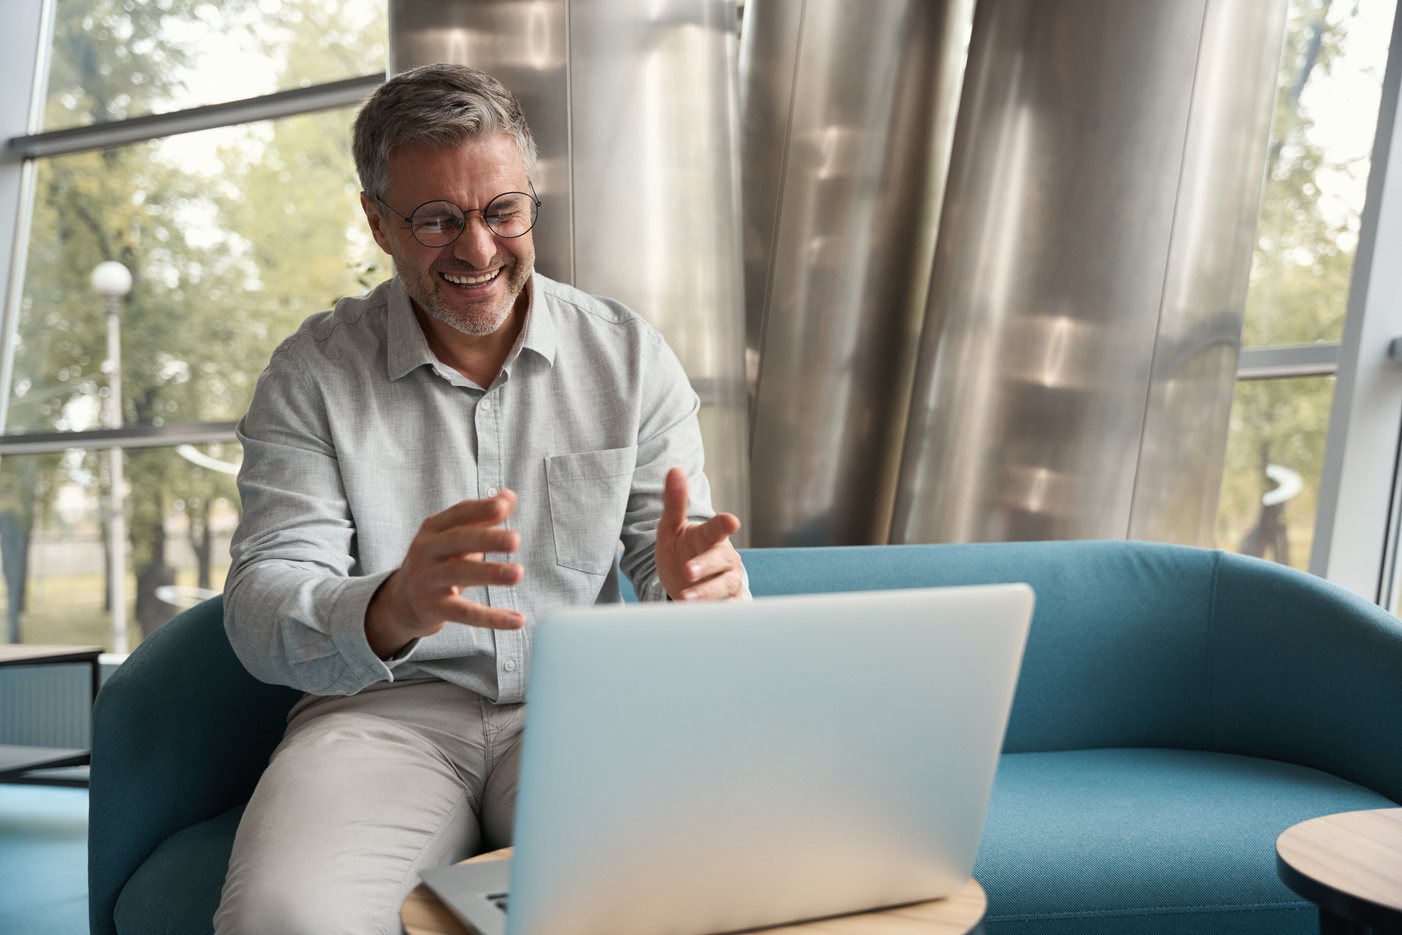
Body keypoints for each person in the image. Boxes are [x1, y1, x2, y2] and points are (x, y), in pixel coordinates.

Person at [214, 63, 748, 935]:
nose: (477, 249)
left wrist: (692, 591)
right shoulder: (311, 374)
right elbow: (260, 601)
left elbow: (667, 560)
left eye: (502, 210)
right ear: (377, 222)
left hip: (576, 708)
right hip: (382, 715)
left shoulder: (628, 357)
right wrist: (391, 604)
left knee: (670, 895)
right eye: (436, 220)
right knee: (285, 917)